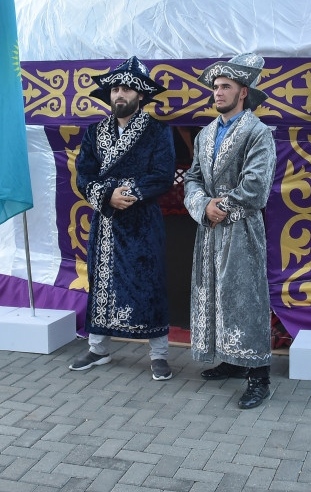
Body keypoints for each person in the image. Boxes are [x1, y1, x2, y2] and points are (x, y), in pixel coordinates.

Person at [69, 57, 176, 380]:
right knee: (101, 281)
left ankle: (159, 354)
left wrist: (125, 193)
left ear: (140, 95)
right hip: (106, 221)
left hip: (142, 220)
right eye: (115, 88)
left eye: (127, 89)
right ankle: (98, 348)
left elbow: (162, 175)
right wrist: (106, 196)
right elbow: (83, 175)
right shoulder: (95, 133)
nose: (120, 94)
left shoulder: (158, 131)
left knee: (150, 282)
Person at [183, 53, 277, 409]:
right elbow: (192, 177)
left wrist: (219, 207)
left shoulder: (257, 132)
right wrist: (200, 206)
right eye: (216, 87)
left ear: (243, 92)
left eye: (225, 87)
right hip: (208, 230)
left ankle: (259, 376)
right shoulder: (206, 134)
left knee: (245, 296)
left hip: (241, 229)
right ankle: (230, 359)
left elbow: (256, 187)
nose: (217, 93)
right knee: (215, 294)